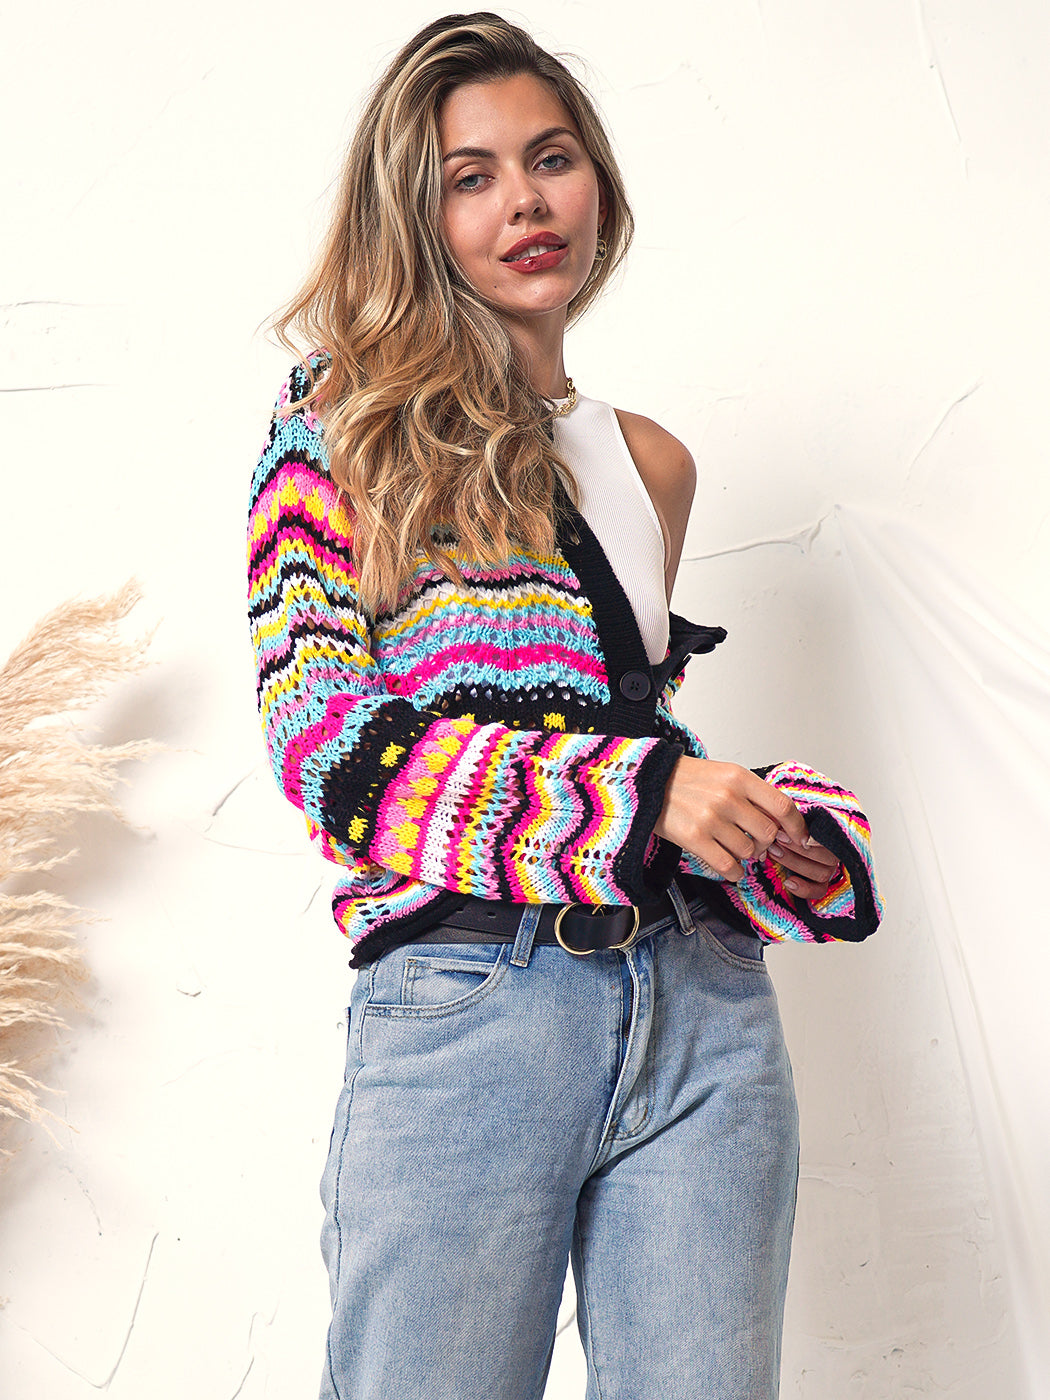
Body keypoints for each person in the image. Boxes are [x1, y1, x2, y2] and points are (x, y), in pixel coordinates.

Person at [248, 14, 881, 1399]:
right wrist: (649, 798)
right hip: (473, 1009)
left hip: (703, 1011)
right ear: (414, 217)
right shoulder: (340, 430)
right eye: (469, 177)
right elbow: (329, 752)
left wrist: (764, 827)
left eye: (551, 159)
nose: (525, 203)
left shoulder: (650, 462)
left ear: (598, 180)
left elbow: (623, 731)